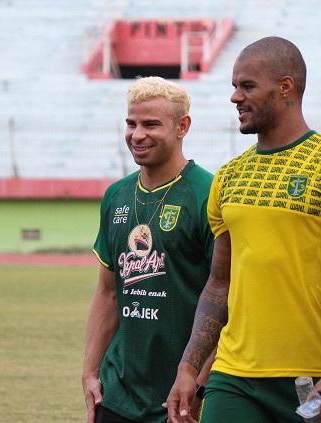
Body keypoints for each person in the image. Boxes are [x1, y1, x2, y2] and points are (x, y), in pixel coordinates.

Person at [165, 36, 321, 423]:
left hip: (310, 378)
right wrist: (189, 368)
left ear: (286, 87)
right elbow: (219, 283)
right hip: (233, 376)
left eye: (247, 86)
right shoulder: (229, 176)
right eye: (234, 87)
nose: (235, 97)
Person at [82, 76, 215, 423]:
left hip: (179, 394)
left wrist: (200, 384)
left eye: (151, 124)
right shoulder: (117, 196)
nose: (137, 134)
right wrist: (90, 371)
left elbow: (227, 298)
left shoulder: (208, 195)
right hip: (117, 393)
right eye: (131, 123)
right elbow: (108, 293)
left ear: (183, 126)